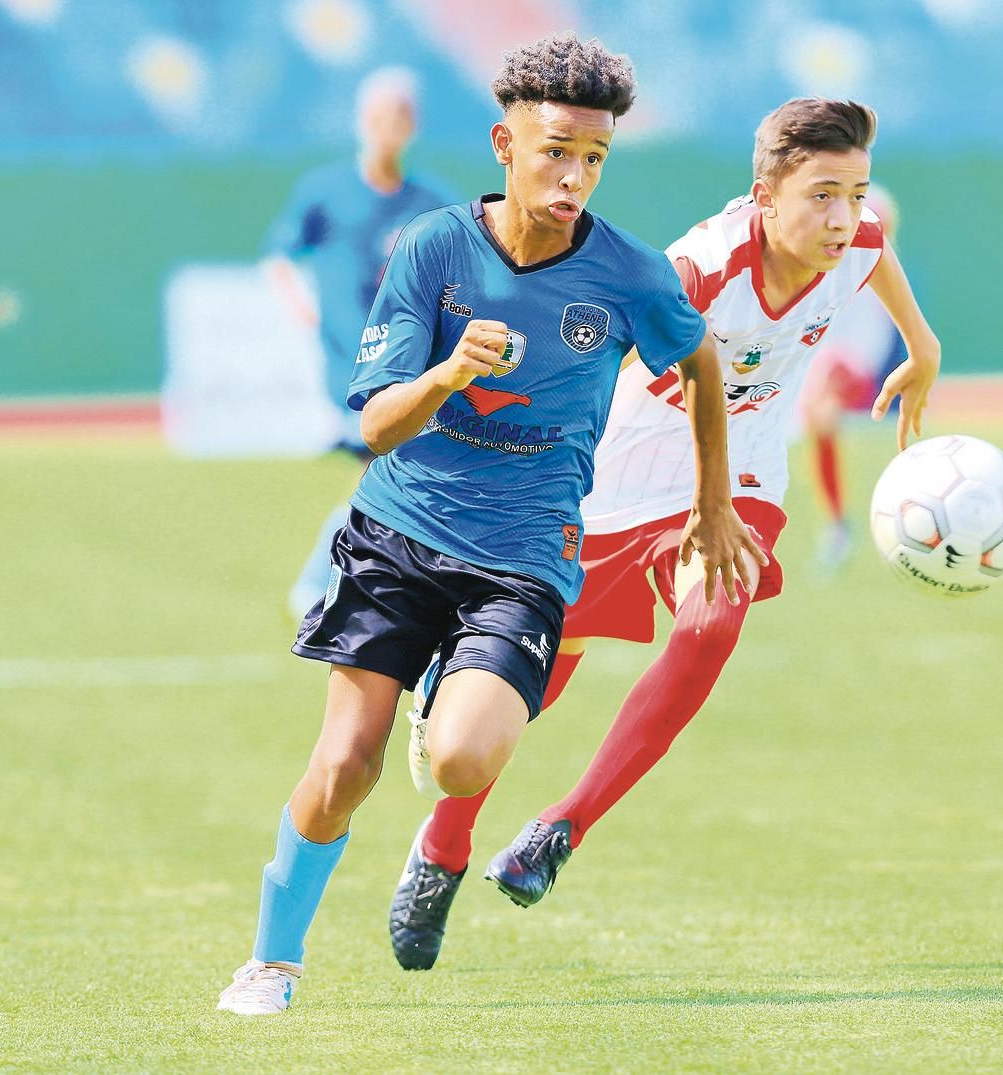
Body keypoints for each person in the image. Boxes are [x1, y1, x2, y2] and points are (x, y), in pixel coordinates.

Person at [217, 33, 762, 1016]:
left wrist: (712, 507)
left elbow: (704, 364)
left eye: (594, 158)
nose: (575, 175)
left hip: (522, 560)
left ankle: (450, 689)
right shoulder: (433, 247)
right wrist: (448, 372)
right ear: (504, 143)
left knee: (462, 759)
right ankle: (272, 960)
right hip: (394, 536)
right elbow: (376, 424)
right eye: (556, 150)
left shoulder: (631, 274)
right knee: (345, 765)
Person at [388, 97, 941, 972]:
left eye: (856, 194)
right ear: (764, 193)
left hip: (743, 468)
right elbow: (597, 348)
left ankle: (557, 830)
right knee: (540, 674)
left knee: (713, 622)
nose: (844, 218)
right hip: (627, 471)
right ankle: (443, 847)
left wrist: (924, 343)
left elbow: (878, 255)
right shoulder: (700, 267)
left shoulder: (858, 236)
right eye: (822, 196)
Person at [261, 66, 454, 619]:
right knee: (392, 470)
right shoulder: (325, 193)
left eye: (400, 115)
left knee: (396, 473)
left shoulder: (431, 200)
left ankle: (343, 586)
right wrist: (303, 310)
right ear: (360, 121)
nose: (388, 127)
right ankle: (321, 584)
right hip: (350, 365)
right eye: (378, 115)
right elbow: (280, 257)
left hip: (410, 365)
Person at [797, 185, 903, 572]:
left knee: (820, 417)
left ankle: (839, 525)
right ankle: (836, 523)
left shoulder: (874, 265)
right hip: (814, 352)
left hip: (851, 355)